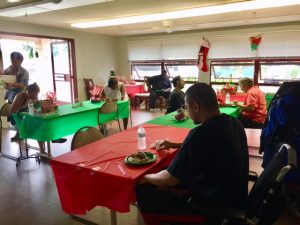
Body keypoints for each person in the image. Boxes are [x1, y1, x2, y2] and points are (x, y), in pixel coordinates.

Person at [135, 83, 249, 225]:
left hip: (210, 206)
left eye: (187, 107)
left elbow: (170, 179)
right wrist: (174, 145)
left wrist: (145, 177)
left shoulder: (199, 133)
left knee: (144, 190)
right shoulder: (234, 123)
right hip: (234, 195)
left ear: (195, 107)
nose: (188, 112)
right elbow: (212, 145)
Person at [9, 83, 45, 154]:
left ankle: (52, 139)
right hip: (16, 120)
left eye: (36, 94)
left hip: (27, 119)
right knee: (38, 126)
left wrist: (38, 104)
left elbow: (35, 111)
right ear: (27, 91)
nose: (35, 96)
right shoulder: (20, 96)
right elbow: (11, 112)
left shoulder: (33, 97)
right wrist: (24, 106)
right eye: (33, 94)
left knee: (42, 123)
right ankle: (42, 150)